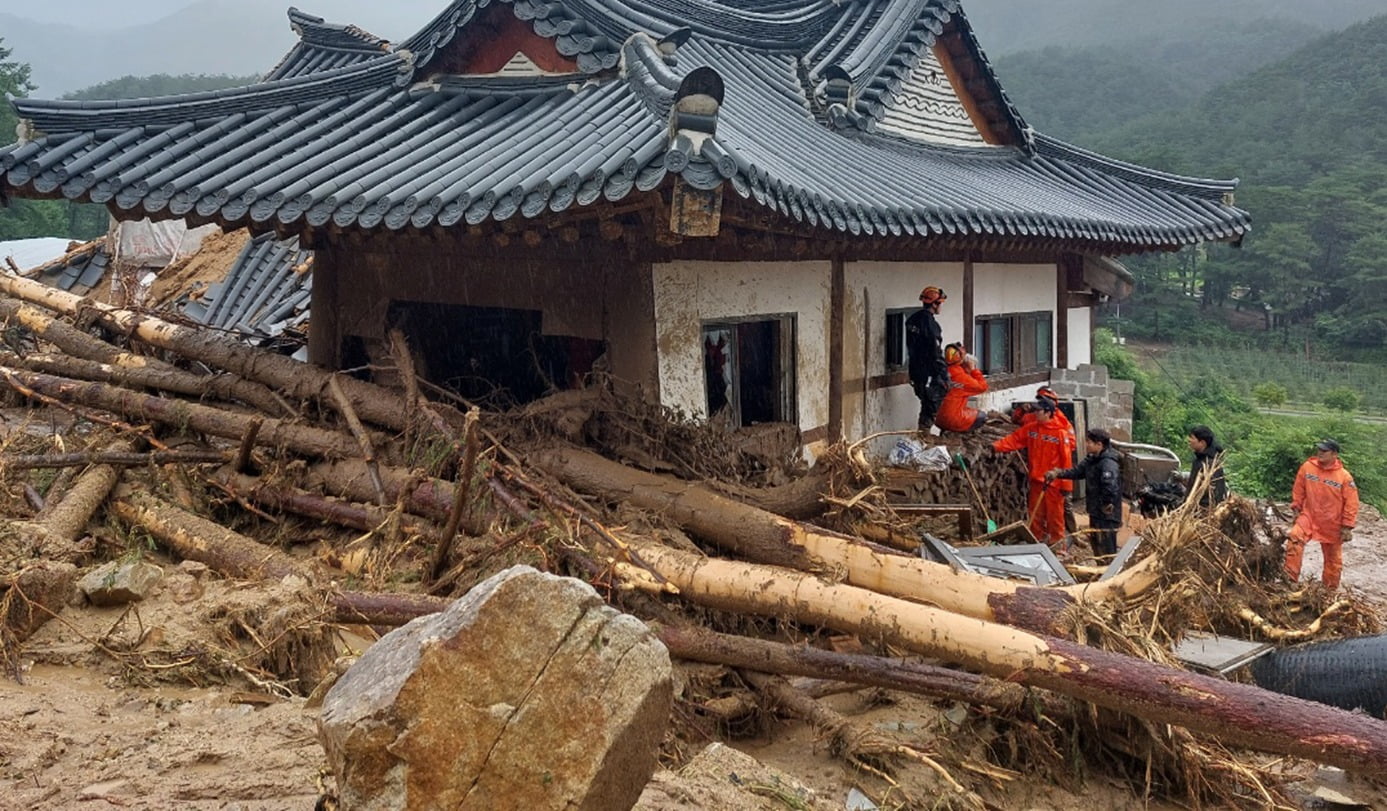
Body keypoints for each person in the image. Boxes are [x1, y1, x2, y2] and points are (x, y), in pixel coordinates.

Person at [992, 397, 1075, 549]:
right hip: (1036, 480)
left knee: (1055, 517)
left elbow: (1066, 461)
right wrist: (996, 447)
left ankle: (1058, 546)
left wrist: (1066, 486)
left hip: (1053, 484)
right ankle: (1035, 542)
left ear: (1048, 412)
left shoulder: (1061, 434)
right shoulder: (1032, 428)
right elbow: (1014, 439)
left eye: (1038, 410)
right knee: (1035, 515)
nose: (1035, 413)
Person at [1284, 439, 1358, 591]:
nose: (1320, 453)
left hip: (1332, 522)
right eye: (1319, 450)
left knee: (1333, 559)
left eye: (1324, 451)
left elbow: (1352, 503)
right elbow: (1299, 489)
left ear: (1335, 454)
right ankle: (1289, 580)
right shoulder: (1307, 467)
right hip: (1309, 515)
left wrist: (1347, 526)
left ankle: (1329, 589)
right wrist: (1296, 507)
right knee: (1295, 538)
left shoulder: (1344, 477)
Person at [1045, 428, 1123, 557]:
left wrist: (1106, 504)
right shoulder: (1092, 459)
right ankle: (1100, 568)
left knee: (1106, 546)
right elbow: (1077, 472)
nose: (1086, 444)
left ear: (1099, 444)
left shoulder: (1108, 464)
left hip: (1107, 513)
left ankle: (1108, 570)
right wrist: (1058, 473)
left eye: (1089, 442)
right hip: (1095, 510)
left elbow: (1111, 487)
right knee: (1096, 542)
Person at [905, 286, 948, 430]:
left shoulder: (912, 319)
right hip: (928, 371)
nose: (941, 307)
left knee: (926, 402)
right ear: (934, 304)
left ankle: (923, 435)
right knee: (931, 406)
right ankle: (924, 436)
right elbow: (935, 352)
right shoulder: (930, 325)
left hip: (915, 371)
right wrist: (943, 374)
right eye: (940, 303)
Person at [934, 343, 987, 433]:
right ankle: (960, 435)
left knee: (964, 409)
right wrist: (973, 370)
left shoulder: (941, 372)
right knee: (982, 416)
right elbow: (982, 387)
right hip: (953, 419)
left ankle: (946, 432)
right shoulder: (960, 376)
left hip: (938, 419)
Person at [1185, 425, 1228, 507]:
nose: (1189, 440)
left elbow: (1216, 494)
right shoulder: (1199, 460)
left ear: (1202, 443)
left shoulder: (1211, 464)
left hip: (1204, 512)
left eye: (1192, 438)